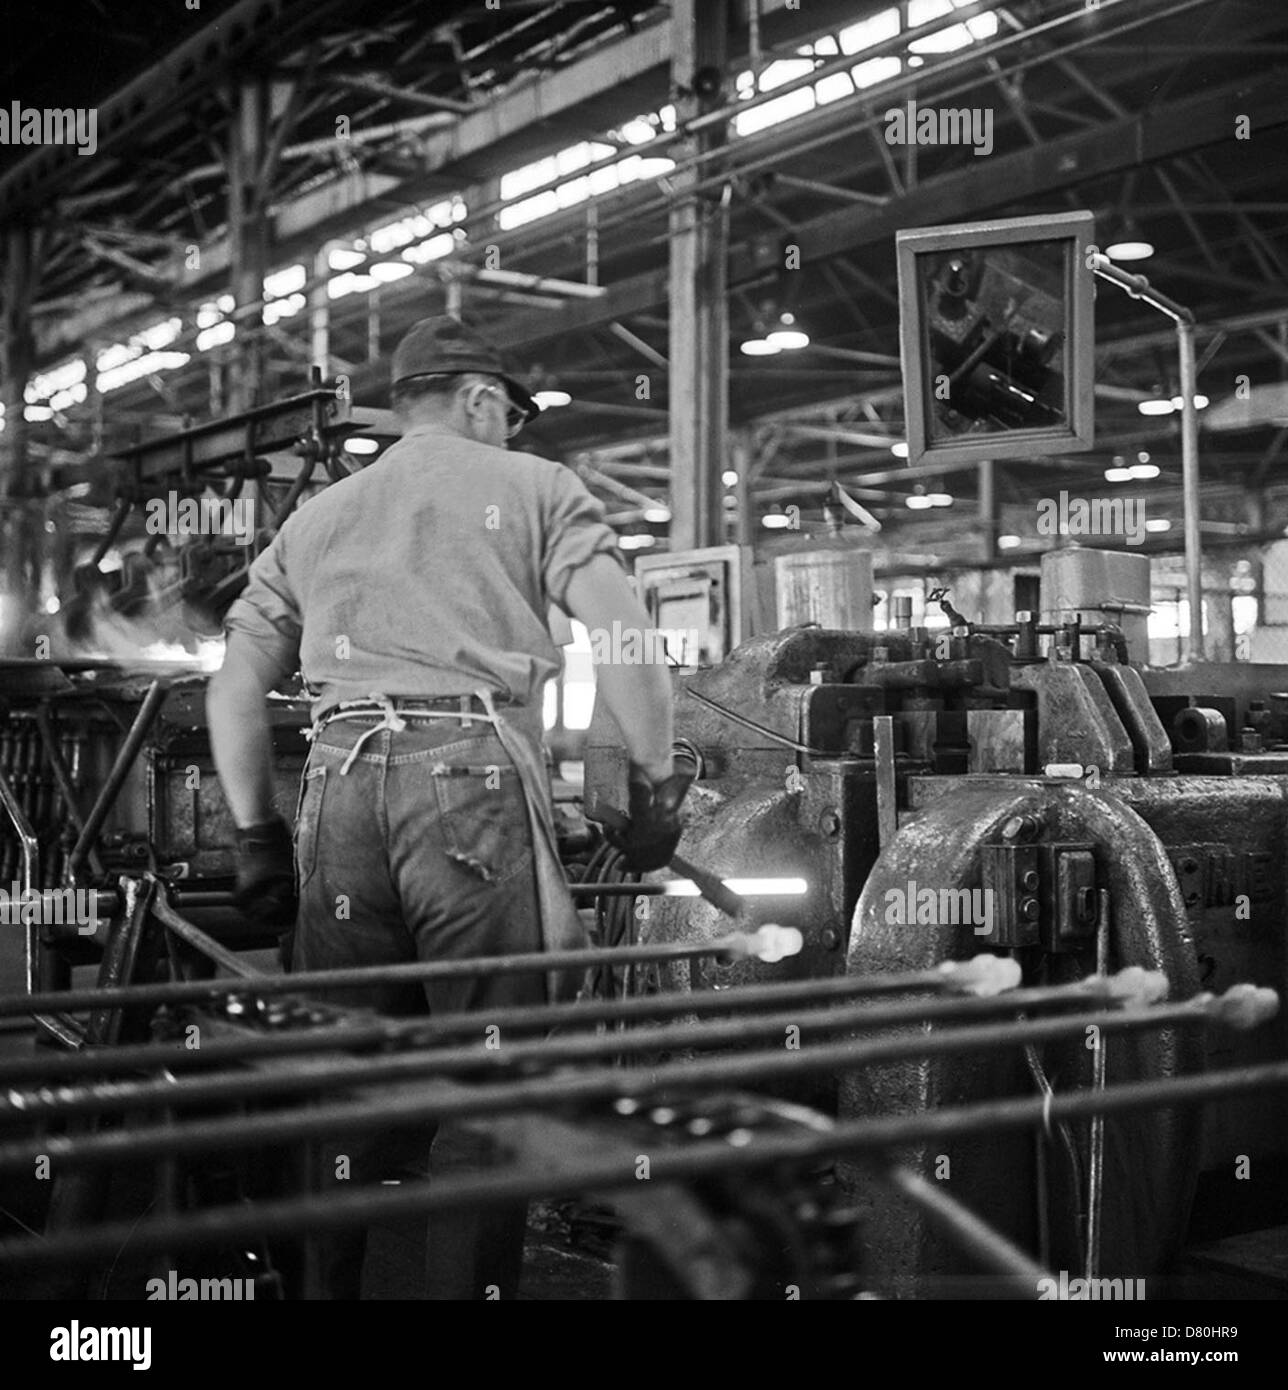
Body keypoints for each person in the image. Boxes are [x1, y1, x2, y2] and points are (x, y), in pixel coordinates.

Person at [207, 315, 689, 1298]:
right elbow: (626, 640)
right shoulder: (536, 487)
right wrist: (652, 783)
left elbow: (232, 687)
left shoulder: (317, 517)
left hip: (336, 782)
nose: (513, 431)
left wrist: (257, 835)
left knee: (340, 1083)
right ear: (478, 398)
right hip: (465, 775)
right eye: (510, 414)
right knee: (488, 1082)